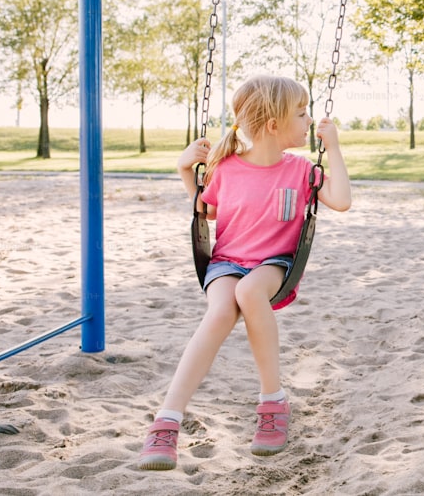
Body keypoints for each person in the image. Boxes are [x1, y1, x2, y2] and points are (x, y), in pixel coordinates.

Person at [138, 75, 351, 470]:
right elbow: (206, 211)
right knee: (220, 312)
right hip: (227, 261)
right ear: (274, 124)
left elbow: (340, 200)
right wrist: (185, 169)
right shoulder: (227, 168)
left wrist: (333, 149)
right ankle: (167, 421)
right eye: (302, 114)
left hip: (274, 264)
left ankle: (273, 400)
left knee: (250, 293)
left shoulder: (301, 170)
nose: (309, 121)